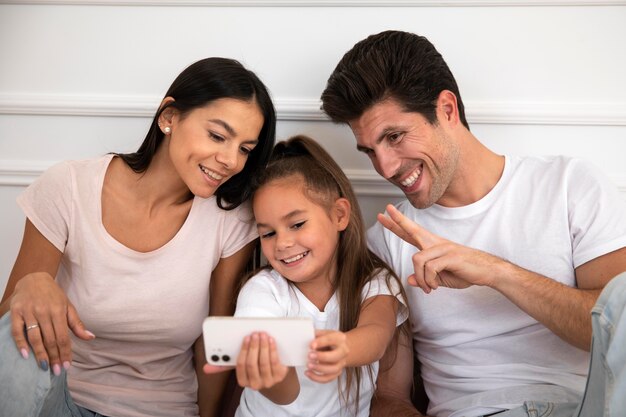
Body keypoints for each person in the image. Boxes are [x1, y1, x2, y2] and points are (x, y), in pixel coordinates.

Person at [320, 30, 626, 417]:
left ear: (447, 110)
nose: (385, 167)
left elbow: (617, 330)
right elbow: (389, 399)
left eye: (394, 136)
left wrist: (496, 272)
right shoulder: (386, 242)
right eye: (369, 151)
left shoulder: (568, 185)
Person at [0, 57, 276, 417]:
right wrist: (30, 285)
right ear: (169, 118)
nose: (230, 160)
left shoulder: (230, 219)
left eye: (245, 149)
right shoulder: (68, 186)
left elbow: (214, 341)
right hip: (61, 400)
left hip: (163, 408)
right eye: (218, 136)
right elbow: (9, 331)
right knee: (14, 324)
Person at [206, 135, 408, 416]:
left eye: (297, 224)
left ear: (339, 215)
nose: (282, 243)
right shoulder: (263, 290)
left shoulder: (373, 282)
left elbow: (377, 334)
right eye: (268, 233)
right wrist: (272, 374)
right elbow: (287, 396)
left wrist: (343, 348)